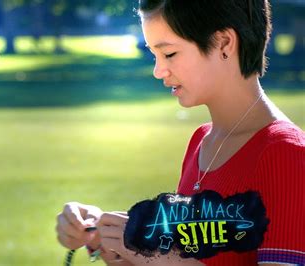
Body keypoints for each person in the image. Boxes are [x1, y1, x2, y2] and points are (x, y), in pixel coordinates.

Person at [56, 0, 304, 265]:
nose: (158, 70)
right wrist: (104, 236)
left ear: (224, 43)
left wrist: (157, 257)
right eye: (155, 55)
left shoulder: (286, 153)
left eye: (169, 54)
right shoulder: (202, 141)